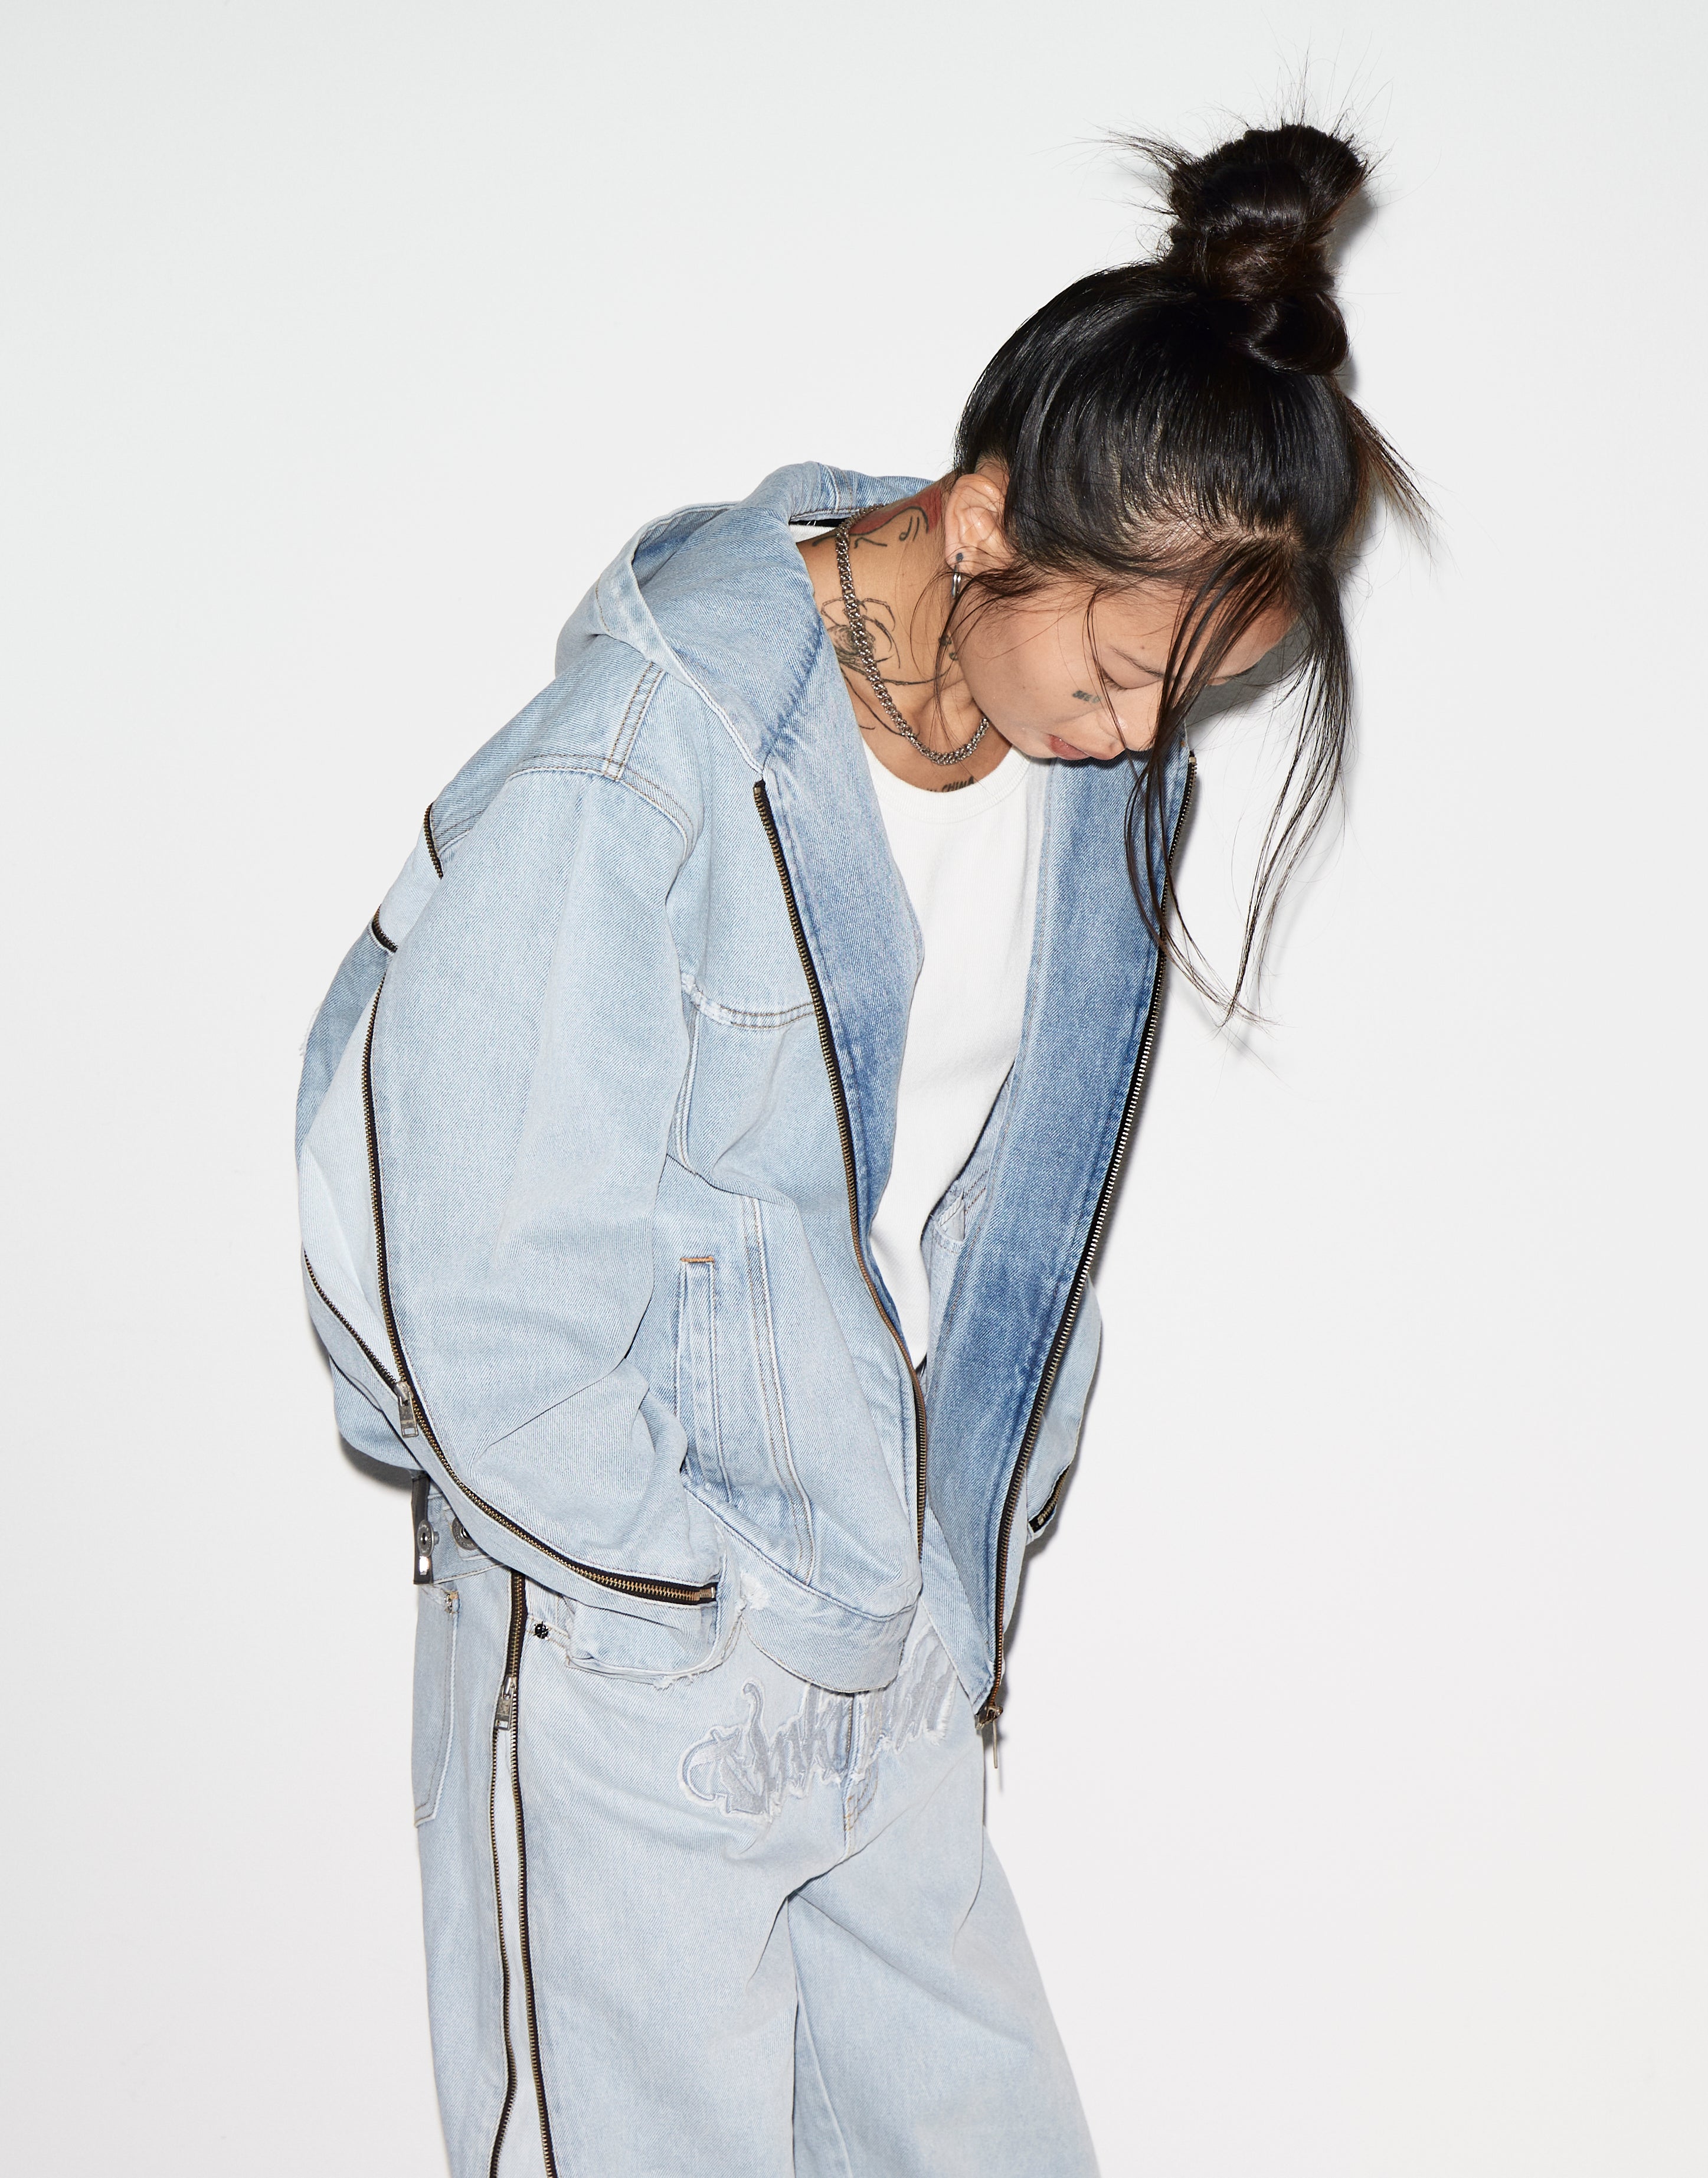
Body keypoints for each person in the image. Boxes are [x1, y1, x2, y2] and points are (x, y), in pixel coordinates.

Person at [296, 119, 1419, 2177]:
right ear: (983, 519)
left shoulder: (1090, 791)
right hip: (644, 1648)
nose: (1132, 741)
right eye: (1114, 669)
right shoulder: (649, 759)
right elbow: (448, 1243)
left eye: (1184, 705)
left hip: (887, 1637)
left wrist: (947, 1589)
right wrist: (665, 1595)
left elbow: (999, 1224)